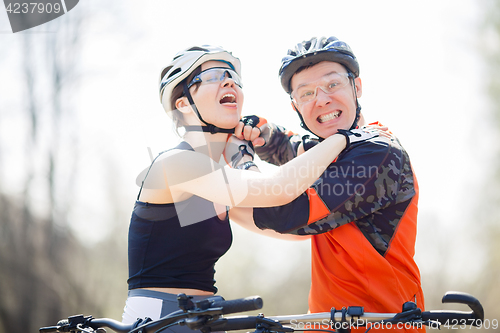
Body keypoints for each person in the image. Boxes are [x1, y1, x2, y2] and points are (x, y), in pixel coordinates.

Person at [120, 44, 379, 330]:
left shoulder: (216, 179)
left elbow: (287, 226)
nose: (229, 80)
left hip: (199, 318)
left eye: (233, 77)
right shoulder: (177, 164)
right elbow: (278, 187)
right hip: (157, 318)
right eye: (215, 75)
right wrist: (345, 138)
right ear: (183, 104)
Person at [233, 36, 424, 332]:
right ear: (295, 106)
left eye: (332, 85)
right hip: (329, 324)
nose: (321, 99)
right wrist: (264, 133)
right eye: (307, 94)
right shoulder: (335, 148)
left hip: (382, 325)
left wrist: (236, 167)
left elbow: (284, 212)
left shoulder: (377, 153)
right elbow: (290, 148)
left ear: (356, 87)